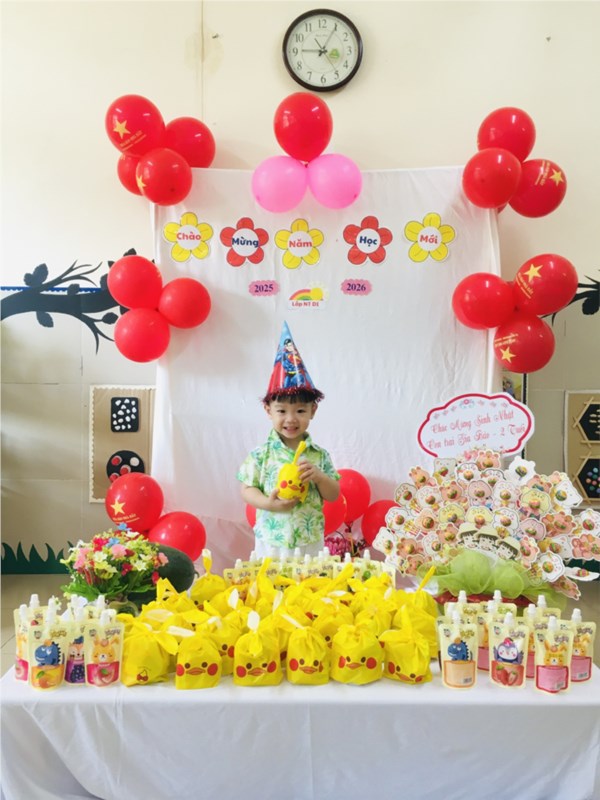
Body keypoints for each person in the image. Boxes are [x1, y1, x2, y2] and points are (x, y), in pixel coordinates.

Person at [237, 322, 340, 558]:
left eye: (300, 411)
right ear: (268, 410)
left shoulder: (319, 455)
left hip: (309, 541)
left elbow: (333, 494)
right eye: (282, 411)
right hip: (272, 540)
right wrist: (267, 503)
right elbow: (247, 489)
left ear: (313, 411)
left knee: (309, 580)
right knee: (270, 581)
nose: (291, 419)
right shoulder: (261, 454)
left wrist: (320, 477)